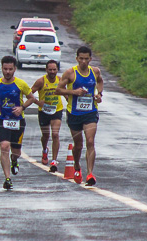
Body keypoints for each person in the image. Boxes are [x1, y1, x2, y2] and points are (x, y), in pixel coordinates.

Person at [0, 55, 39, 190]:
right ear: (2, 69)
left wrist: (22, 107)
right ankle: (7, 178)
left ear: (15, 69)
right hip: (2, 119)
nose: (8, 72)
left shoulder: (21, 84)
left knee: (16, 152)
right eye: (5, 69)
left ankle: (14, 160)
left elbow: (31, 98)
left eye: (10, 69)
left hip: (18, 121)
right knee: (4, 146)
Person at [58, 45, 103, 187]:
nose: (83, 62)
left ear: (90, 59)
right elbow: (58, 90)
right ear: (77, 58)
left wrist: (99, 94)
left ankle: (90, 174)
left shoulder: (95, 72)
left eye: (86, 59)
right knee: (78, 145)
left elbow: (100, 82)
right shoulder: (70, 73)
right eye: (81, 59)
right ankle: (77, 166)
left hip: (90, 112)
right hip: (74, 113)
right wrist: (74, 92)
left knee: (90, 141)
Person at [29, 60, 67, 171]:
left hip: (57, 110)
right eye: (50, 69)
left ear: (57, 70)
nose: (52, 72)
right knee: (46, 136)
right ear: (46, 70)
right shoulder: (41, 81)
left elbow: (65, 92)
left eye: (54, 69)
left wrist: (69, 101)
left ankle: (54, 161)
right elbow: (29, 94)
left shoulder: (60, 80)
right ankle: (45, 150)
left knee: (55, 134)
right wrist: (37, 102)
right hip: (44, 111)